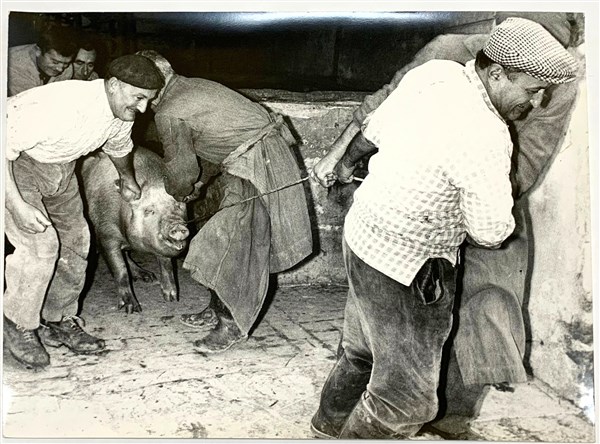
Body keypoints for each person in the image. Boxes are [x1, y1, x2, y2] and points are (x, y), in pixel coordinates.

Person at [314, 11, 583, 440]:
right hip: (411, 267)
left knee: (363, 349)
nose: (535, 104)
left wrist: (346, 164)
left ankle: (327, 425)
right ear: (498, 73)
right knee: (407, 400)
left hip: (363, 237)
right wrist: (475, 201)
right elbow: (491, 232)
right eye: (532, 91)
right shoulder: (489, 136)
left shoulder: (435, 73)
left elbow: (371, 131)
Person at [136, 50, 313, 354]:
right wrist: (199, 184)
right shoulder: (188, 86)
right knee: (223, 233)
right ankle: (217, 307)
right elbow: (213, 145)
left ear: (155, 81)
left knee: (233, 242)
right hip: (250, 158)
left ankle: (229, 324)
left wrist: (178, 194)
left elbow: (182, 171)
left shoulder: (170, 109)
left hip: (258, 163)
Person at [4, 54, 164, 370]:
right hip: (17, 164)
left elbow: (119, 147)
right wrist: (17, 205)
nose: (144, 108)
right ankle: (17, 322)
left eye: (149, 100)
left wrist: (128, 179)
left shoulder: (121, 112)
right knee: (41, 246)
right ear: (114, 85)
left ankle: (58, 318)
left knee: (77, 243)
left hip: (61, 168)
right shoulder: (62, 106)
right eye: (139, 98)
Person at [7, 24, 78, 96]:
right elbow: (27, 100)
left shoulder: (67, 68)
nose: (60, 69)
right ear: (38, 51)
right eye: (55, 62)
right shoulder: (13, 64)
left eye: (66, 63)